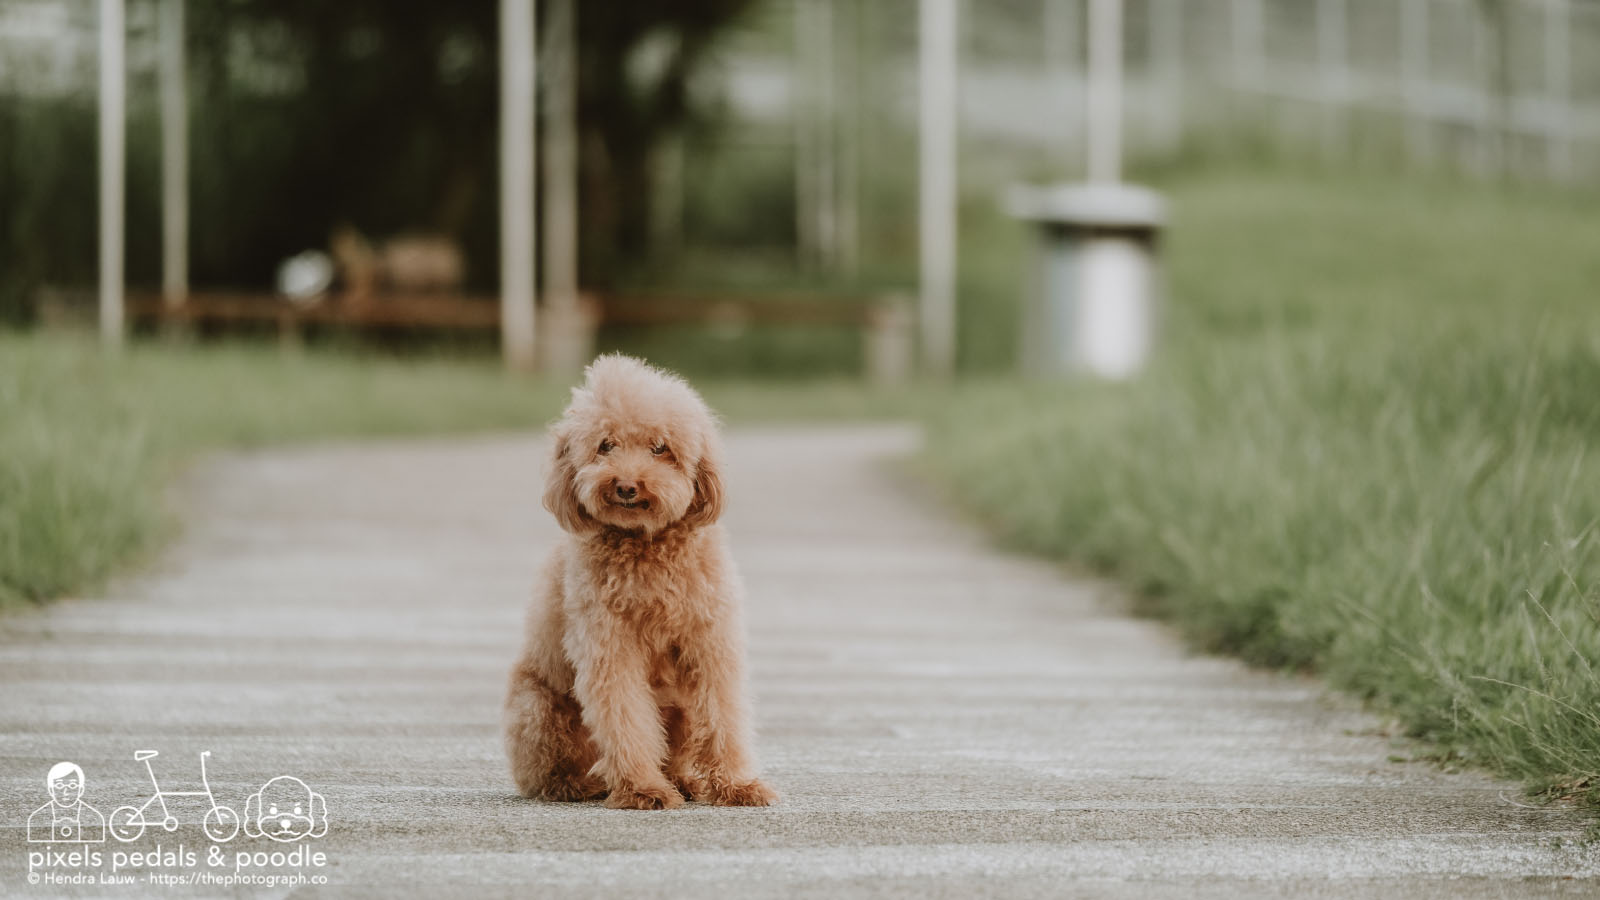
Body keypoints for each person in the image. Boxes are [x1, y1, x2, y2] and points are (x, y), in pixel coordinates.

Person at [27, 761, 105, 843]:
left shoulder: (94, 818)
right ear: (51, 790)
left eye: (72, 786)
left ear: (81, 790)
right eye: (59, 786)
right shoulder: (37, 818)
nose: (65, 791)